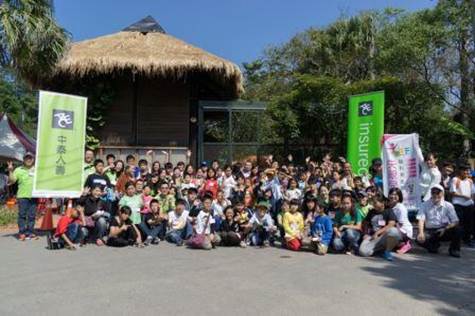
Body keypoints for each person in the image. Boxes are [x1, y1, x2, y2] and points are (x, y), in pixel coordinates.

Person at [416, 184, 462, 257]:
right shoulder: (424, 204)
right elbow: (421, 219)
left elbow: (455, 221)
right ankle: (433, 246)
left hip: (443, 230)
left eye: (438, 192)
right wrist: (421, 232)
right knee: (419, 239)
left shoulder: (448, 205)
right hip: (430, 231)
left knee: (457, 229)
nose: (435, 195)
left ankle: (454, 250)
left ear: (442, 193)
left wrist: (446, 228)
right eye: (433, 192)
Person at [359, 193, 400, 261]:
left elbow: (391, 224)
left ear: (382, 202)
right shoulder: (371, 211)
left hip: (383, 237)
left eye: (375, 202)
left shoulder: (388, 210)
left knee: (394, 231)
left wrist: (378, 233)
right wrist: (365, 233)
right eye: (372, 202)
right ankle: (380, 250)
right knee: (362, 252)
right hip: (373, 237)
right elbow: (365, 223)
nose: (373, 204)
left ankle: (387, 251)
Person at [7, 153, 37, 241]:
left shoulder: (36, 169)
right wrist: (10, 171)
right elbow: (12, 181)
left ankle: (30, 232)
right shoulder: (18, 170)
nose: (29, 160)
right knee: (22, 215)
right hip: (22, 196)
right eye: (27, 158)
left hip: (34, 196)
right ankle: (22, 233)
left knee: (32, 215)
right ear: (23, 160)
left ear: (33, 159)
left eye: (30, 158)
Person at [449, 165, 474, 246]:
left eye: (468, 171)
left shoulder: (470, 181)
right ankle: (457, 240)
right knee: (459, 223)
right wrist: (464, 196)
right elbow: (452, 192)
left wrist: (471, 201)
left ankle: (467, 240)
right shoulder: (455, 179)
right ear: (460, 171)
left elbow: (473, 193)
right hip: (458, 204)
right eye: (465, 171)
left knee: (469, 223)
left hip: (469, 205)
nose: (467, 172)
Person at [387, 188, 413, 254]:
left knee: (390, 232)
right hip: (395, 227)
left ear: (399, 197)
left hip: (403, 230)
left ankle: (406, 243)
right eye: (391, 194)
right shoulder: (389, 206)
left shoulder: (401, 208)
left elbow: (400, 224)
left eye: (396, 194)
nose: (393, 196)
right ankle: (400, 244)